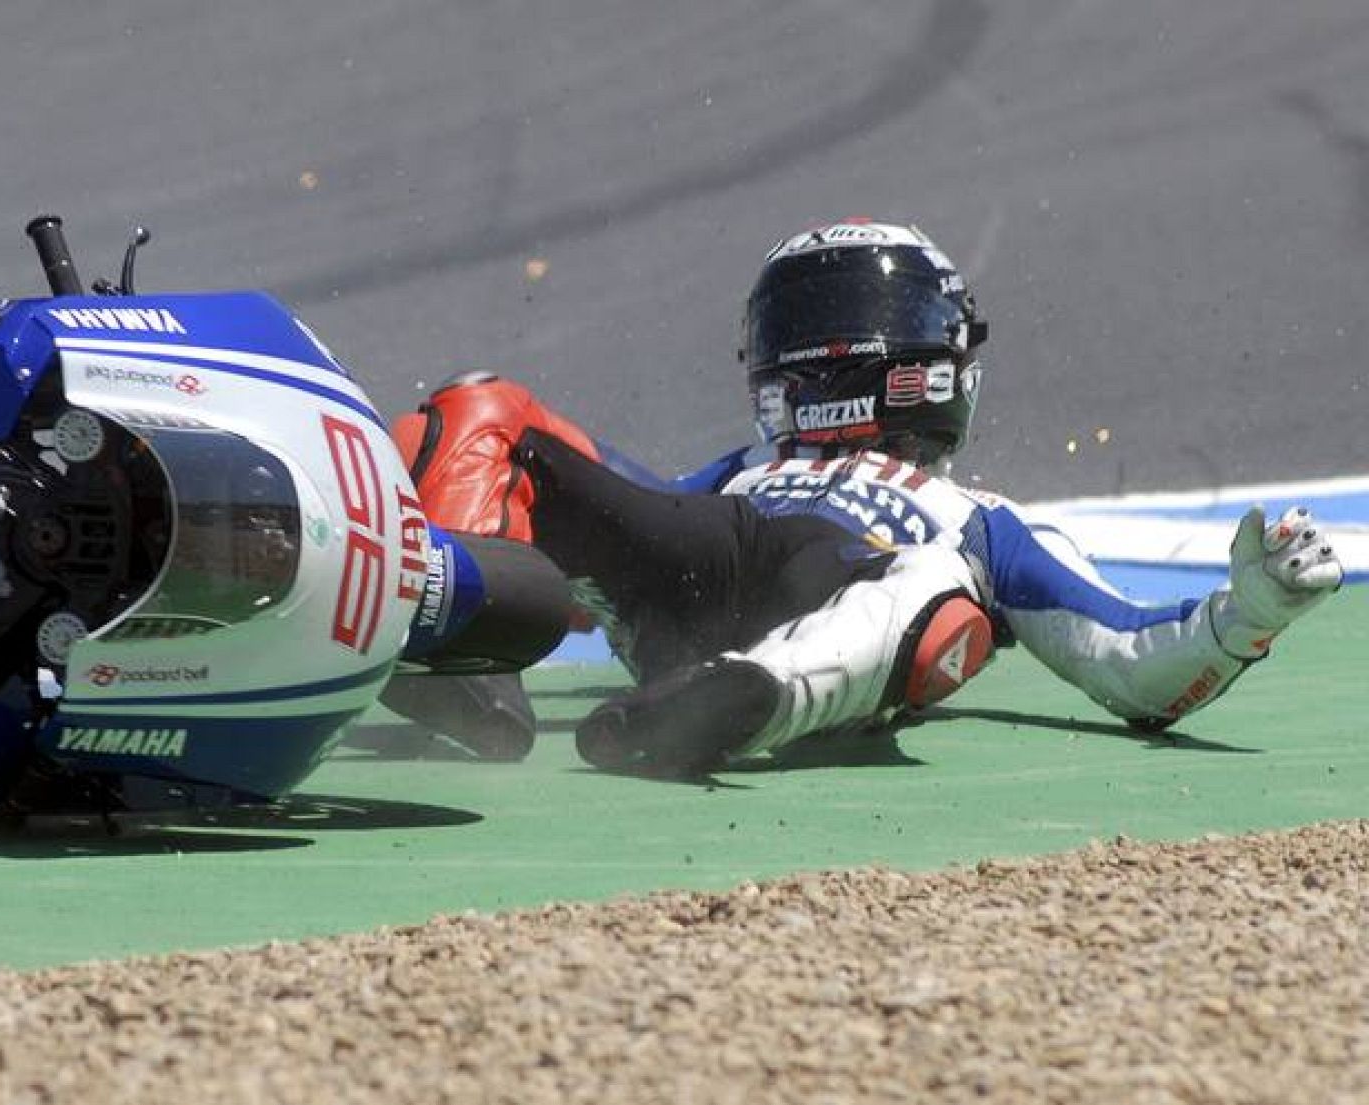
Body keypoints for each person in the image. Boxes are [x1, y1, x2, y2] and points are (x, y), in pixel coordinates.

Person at [388, 220, 1344, 776]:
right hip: (702, 555)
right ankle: (457, 654)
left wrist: (1248, 610)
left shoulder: (983, 522)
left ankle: (738, 705)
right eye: (811, 321)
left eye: (860, 321)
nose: (836, 344)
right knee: (481, 406)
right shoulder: (732, 472)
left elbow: (1133, 663)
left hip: (851, 596)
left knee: (940, 590)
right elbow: (622, 505)